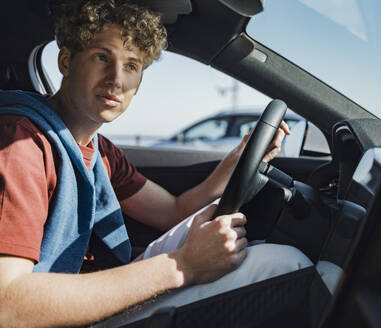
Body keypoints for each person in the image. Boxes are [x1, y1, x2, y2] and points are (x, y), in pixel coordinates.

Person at [0, 0, 312, 326]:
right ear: (66, 61)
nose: (116, 79)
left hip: (99, 283)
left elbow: (174, 210)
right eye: (102, 58)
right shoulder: (20, 143)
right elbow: (8, 306)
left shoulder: (100, 152)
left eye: (132, 66)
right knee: (283, 264)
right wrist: (184, 266)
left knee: (250, 244)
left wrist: (241, 157)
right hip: (56, 314)